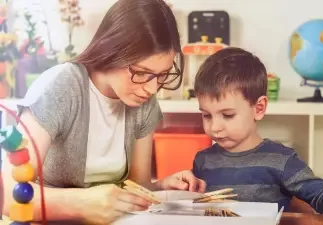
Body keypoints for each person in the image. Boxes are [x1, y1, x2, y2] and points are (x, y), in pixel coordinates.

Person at [2, 0, 205, 224]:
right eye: (142, 72)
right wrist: (80, 204)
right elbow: (9, 193)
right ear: (112, 51)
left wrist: (159, 187)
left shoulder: (144, 101)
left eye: (162, 75)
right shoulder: (61, 87)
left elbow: (137, 187)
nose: (152, 88)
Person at [191, 47, 323, 222]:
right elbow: (192, 207)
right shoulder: (203, 161)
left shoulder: (282, 160)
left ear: (259, 108)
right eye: (206, 115)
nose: (215, 127)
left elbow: (319, 194)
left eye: (227, 115)